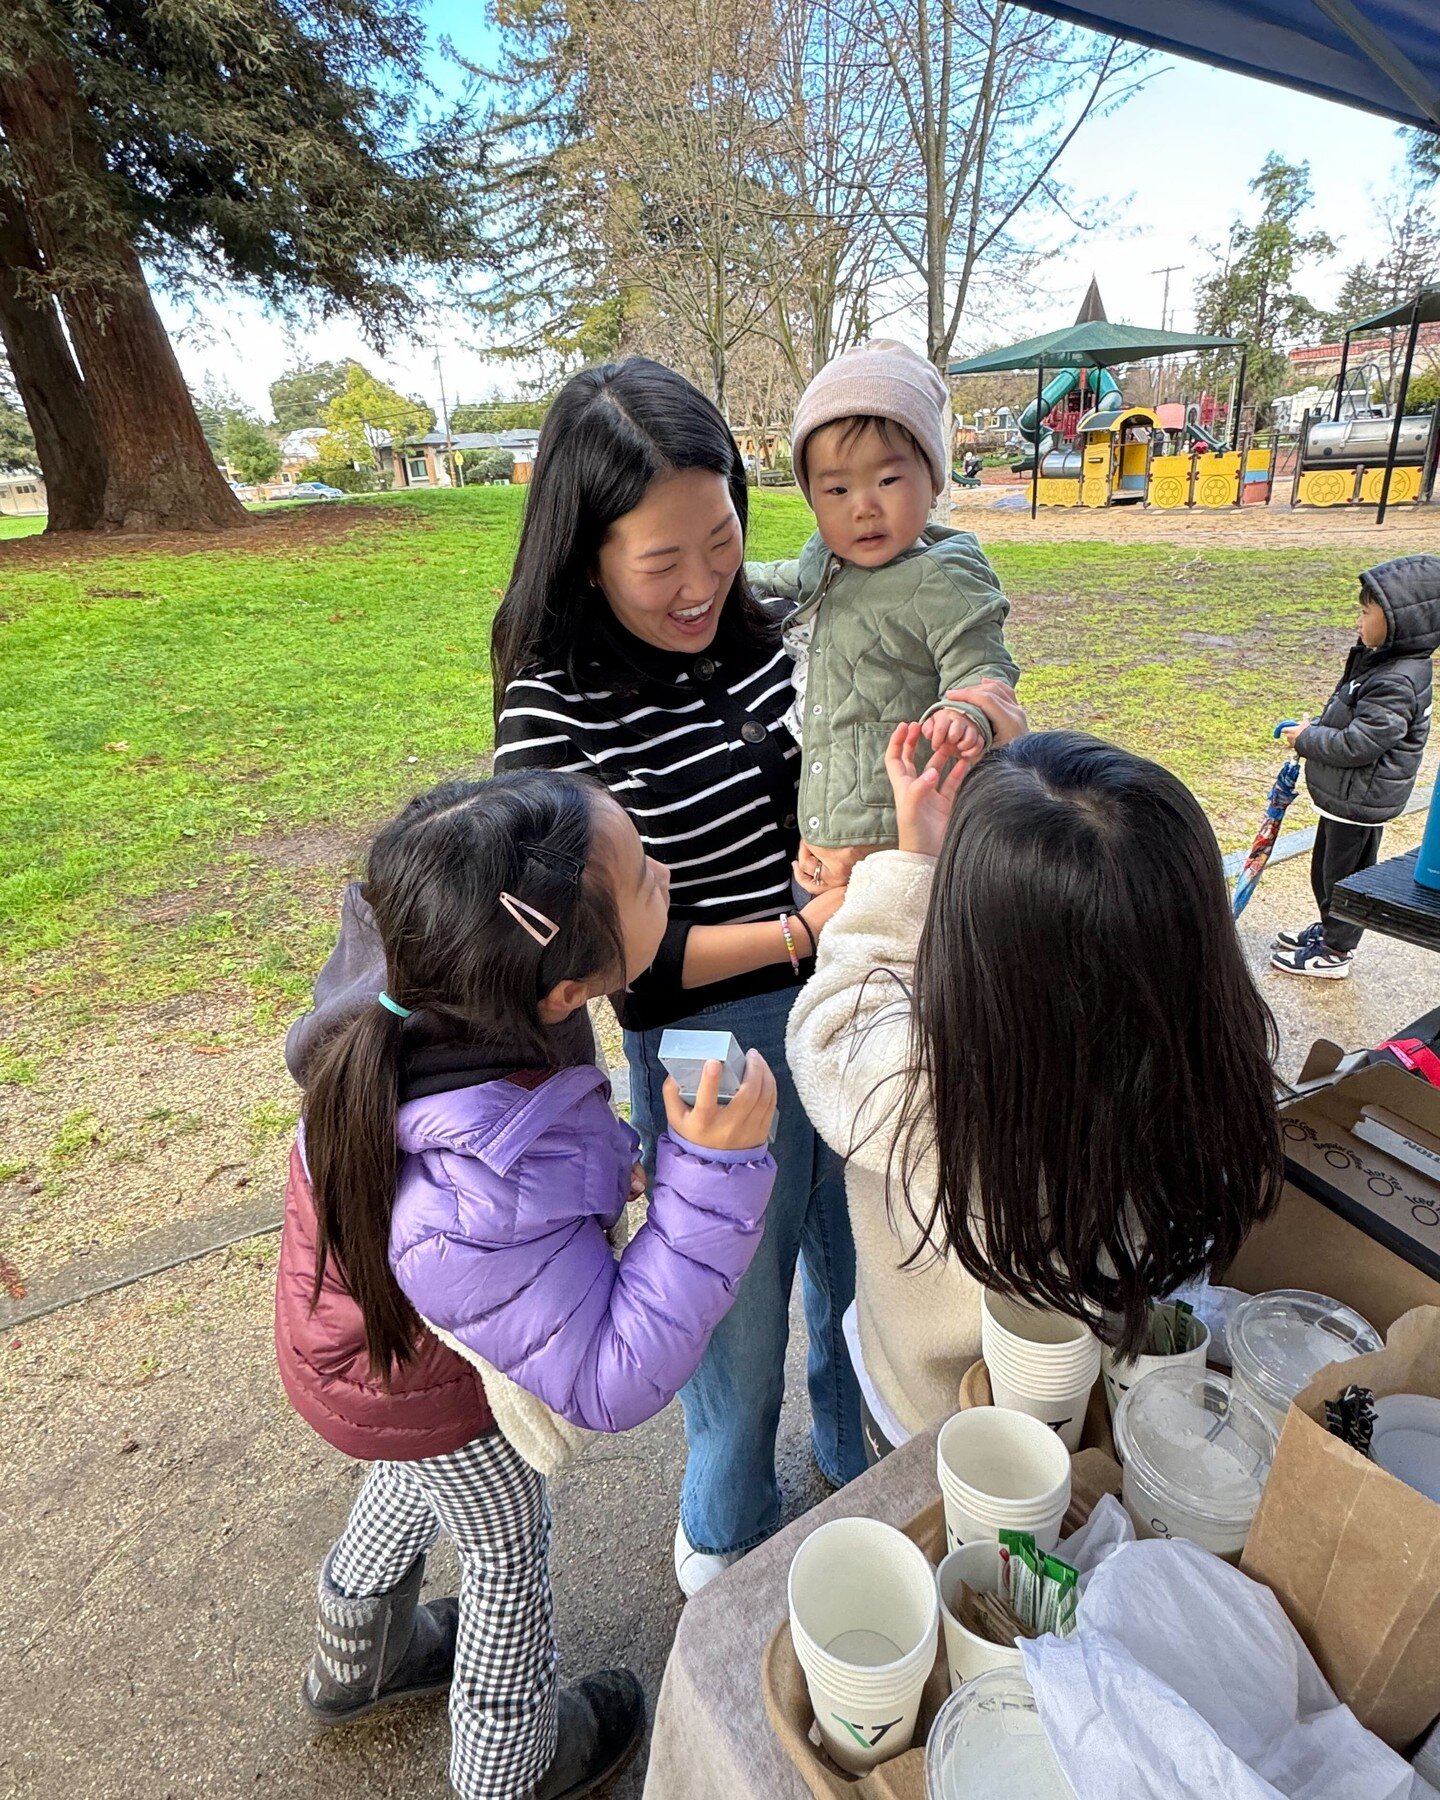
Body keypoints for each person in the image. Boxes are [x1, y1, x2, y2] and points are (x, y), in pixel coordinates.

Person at [275, 770, 778, 1800]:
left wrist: (603, 1162)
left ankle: (354, 1652)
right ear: (561, 991)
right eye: (644, 875)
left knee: (423, 1477)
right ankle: (513, 1762)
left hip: (360, 1345)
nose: (665, 873)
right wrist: (712, 1175)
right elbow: (604, 1375)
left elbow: (535, 1156)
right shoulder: (471, 1194)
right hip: (419, 1381)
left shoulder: (441, 965)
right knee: (508, 1543)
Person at [488, 356, 871, 1598]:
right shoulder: (555, 704)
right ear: (586, 553)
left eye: (723, 537)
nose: (704, 582)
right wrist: (800, 928)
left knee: (866, 1274)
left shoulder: (771, 621)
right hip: (711, 1043)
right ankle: (727, 1557)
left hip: (849, 997)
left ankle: (869, 1478)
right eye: (663, 563)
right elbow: (611, 955)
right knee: (737, 1338)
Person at [787, 726, 1283, 1461]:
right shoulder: (1205, 1063)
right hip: (1100, 1407)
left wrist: (910, 861)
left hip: (927, 1414)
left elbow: (830, 1025)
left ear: (964, 935)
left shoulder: (918, 1084)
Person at [746, 338, 1020, 897]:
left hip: (905, 844)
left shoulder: (946, 577)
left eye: (888, 480)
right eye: (837, 488)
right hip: (820, 838)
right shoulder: (824, 561)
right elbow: (782, 577)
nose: (863, 505)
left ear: (934, 478)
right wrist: (730, 573)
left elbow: (984, 672)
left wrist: (965, 716)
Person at [1271, 554, 1440, 980]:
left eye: (1367, 613)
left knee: (1345, 876)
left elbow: (1360, 743)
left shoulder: (1398, 679)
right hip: (1344, 796)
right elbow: (1351, 718)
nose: (1359, 622)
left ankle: (1335, 950)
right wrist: (1315, 725)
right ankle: (1329, 927)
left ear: (1403, 622)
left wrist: (1307, 740)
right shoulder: (1381, 663)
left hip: (1360, 797)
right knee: (1328, 868)